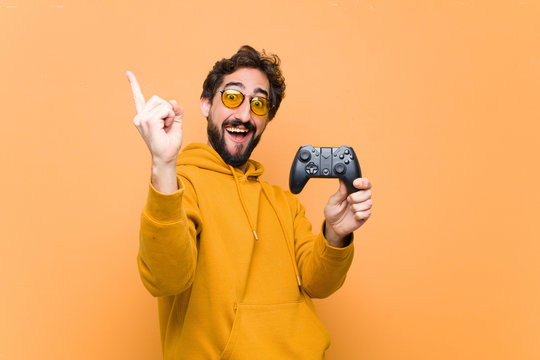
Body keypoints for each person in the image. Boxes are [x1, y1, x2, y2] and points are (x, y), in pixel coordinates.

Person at [127, 45, 373, 360]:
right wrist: (163, 165)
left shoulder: (283, 203)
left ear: (268, 117)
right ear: (206, 104)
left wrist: (336, 235)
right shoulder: (179, 188)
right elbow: (165, 279)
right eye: (232, 97)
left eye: (259, 104)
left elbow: (317, 284)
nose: (244, 114)